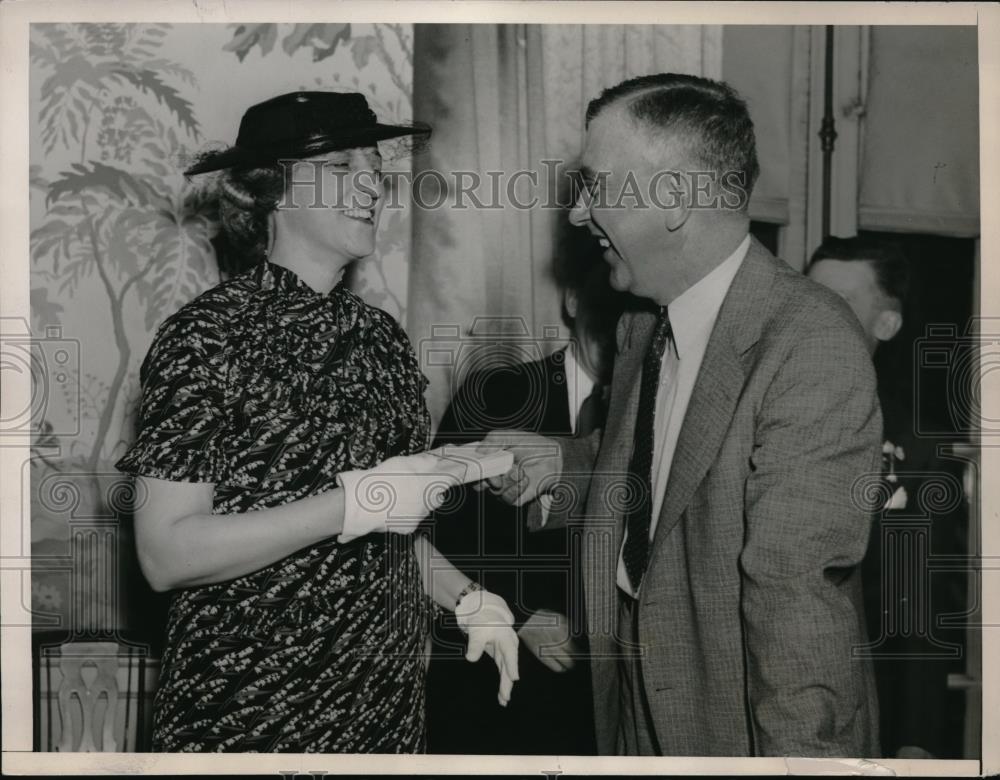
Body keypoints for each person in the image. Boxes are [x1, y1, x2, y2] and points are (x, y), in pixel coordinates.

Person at [480, 73, 882, 756]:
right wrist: (562, 465)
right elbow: (665, 467)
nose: (578, 216)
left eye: (597, 186)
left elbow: (796, 599)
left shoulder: (810, 345)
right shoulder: (644, 320)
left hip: (736, 721)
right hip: (631, 700)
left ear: (673, 199)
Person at [115, 91, 519, 753]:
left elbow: (385, 526)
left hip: (385, 717)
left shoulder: (381, 341)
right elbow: (166, 554)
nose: (369, 185)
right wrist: (359, 501)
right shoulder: (204, 340)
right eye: (338, 167)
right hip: (247, 719)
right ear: (273, 189)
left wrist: (468, 598)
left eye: (373, 165)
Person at [425, 242, 627, 755]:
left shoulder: (648, 416)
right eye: (604, 302)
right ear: (573, 301)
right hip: (494, 686)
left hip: (610, 698)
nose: (617, 323)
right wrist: (521, 614)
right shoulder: (496, 392)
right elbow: (435, 528)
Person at [807, 236, 968, 759]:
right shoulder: (742, 413)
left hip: (852, 716)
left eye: (842, 301)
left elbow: (919, 608)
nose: (817, 315)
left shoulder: (916, 449)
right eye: (809, 296)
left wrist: (915, 739)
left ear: (887, 325)